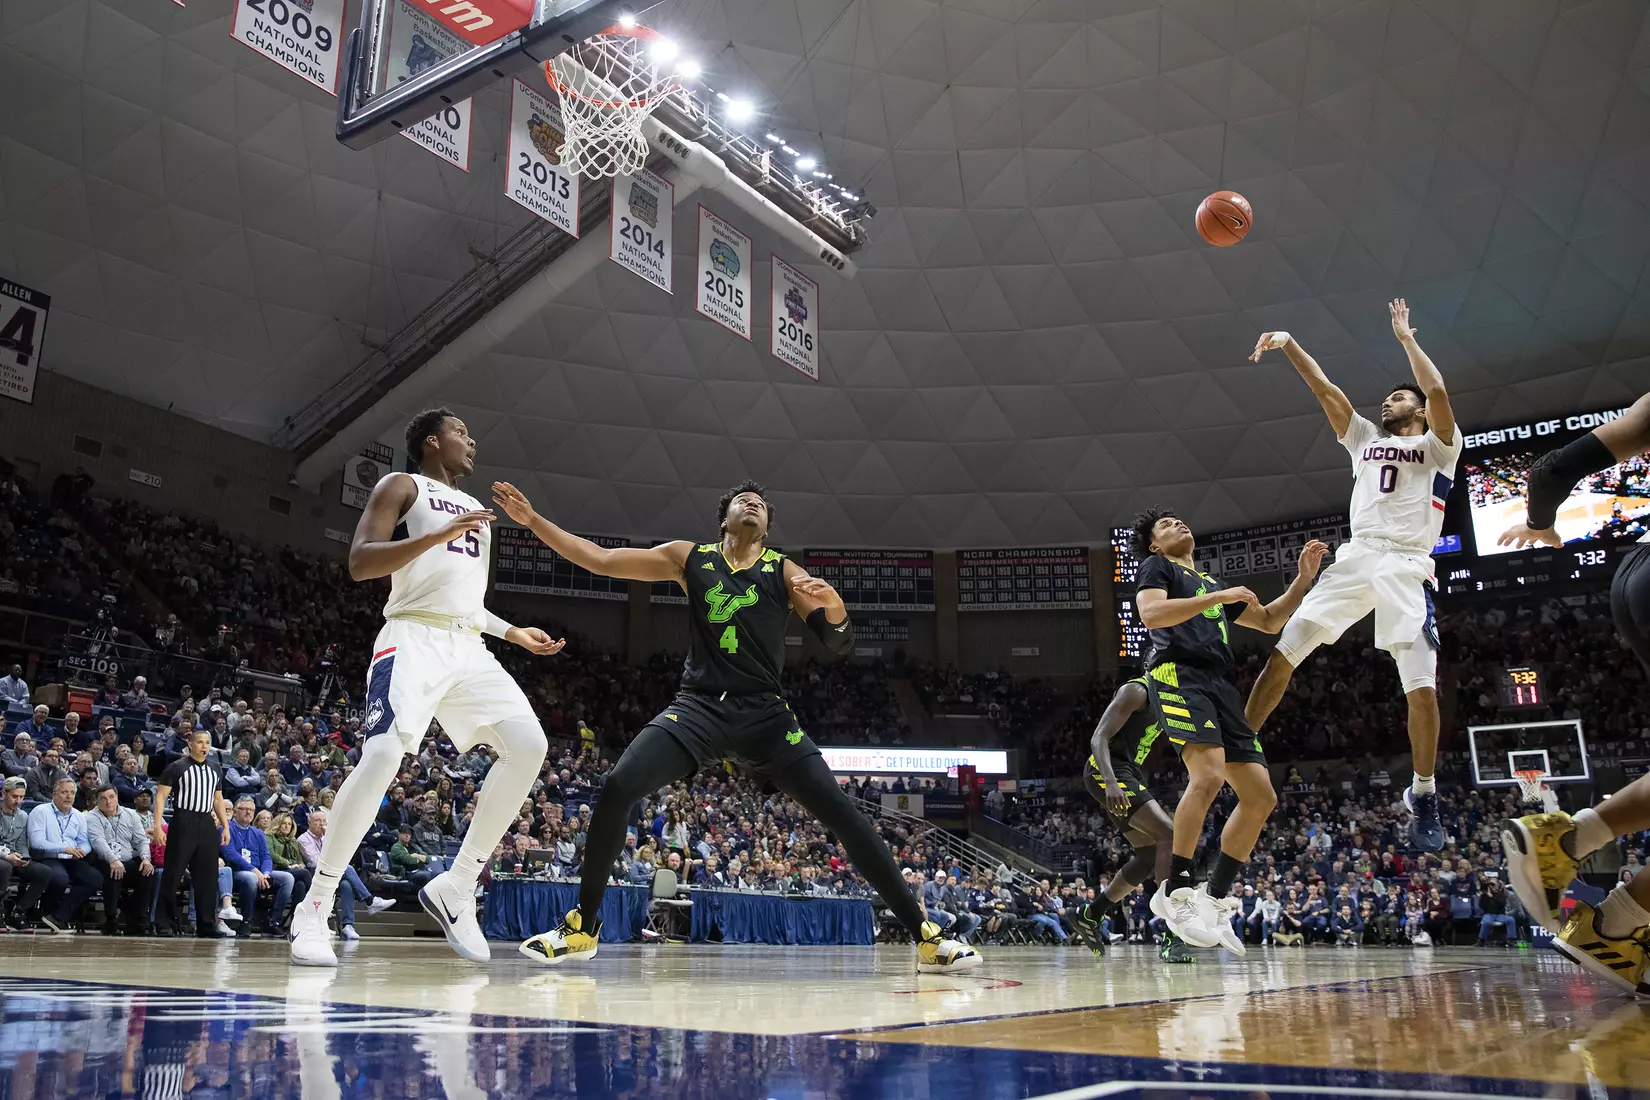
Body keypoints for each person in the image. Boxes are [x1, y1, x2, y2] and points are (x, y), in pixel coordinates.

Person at [495, 478, 979, 973]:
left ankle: (926, 937)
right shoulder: (690, 558)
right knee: (619, 785)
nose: (754, 505)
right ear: (724, 519)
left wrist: (833, 605)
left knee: (845, 815)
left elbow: (838, 644)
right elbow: (599, 559)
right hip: (700, 708)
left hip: (766, 716)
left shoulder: (782, 571)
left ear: (767, 528)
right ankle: (583, 928)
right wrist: (534, 522)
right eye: (744, 501)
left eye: (763, 506)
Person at [290, 409, 563, 968]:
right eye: (463, 431)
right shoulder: (402, 485)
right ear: (433, 442)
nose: (473, 440)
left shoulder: (480, 515)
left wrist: (511, 631)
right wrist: (433, 535)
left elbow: (460, 602)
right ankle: (316, 904)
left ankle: (457, 887)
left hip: (468, 646)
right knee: (384, 753)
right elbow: (361, 563)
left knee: (530, 747)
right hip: (411, 638)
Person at [1245, 299, 1462, 852]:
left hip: (1408, 564)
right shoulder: (1365, 439)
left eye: (1399, 397)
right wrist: (1289, 340)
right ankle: (1238, 748)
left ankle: (1425, 791)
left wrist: (1407, 341)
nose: (1389, 401)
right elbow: (1325, 390)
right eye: (1388, 397)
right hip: (1358, 555)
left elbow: (1437, 394)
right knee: (1283, 653)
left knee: (1423, 692)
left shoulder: (1439, 446)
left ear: (1414, 409)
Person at [1496, 391, 1650, 994]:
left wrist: (1540, 525)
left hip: (1635, 580)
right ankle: (1615, 912)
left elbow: (1551, 470)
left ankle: (1589, 871)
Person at [1131, 506, 1327, 956]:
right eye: (1166, 526)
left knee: (1261, 796)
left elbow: (1270, 621)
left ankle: (1214, 898)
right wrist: (1217, 600)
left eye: (1181, 520)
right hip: (1178, 674)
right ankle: (1175, 889)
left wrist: (1302, 579)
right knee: (1208, 775)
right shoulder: (1157, 567)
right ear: (1155, 545)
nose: (1179, 524)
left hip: (1220, 685)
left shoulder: (1214, 585)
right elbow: (1153, 614)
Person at [1070, 676, 1186, 962]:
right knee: (1169, 836)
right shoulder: (1136, 690)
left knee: (1147, 856)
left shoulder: (1170, 699)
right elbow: (1099, 737)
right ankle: (1173, 933)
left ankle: (1090, 914)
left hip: (1130, 771)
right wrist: (1110, 782)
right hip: (1107, 771)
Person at [151, 729, 232, 938]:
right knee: (173, 873)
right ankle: (164, 922)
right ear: (190, 744)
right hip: (183, 820)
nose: (204, 746)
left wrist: (225, 826)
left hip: (206, 822)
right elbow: (160, 797)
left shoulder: (215, 768)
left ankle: (206, 924)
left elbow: (217, 800)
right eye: (200, 742)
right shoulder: (176, 767)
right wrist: (158, 826)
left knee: (208, 876)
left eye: (207, 742)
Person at [296, 809, 394, 941]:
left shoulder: (327, 837)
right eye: (317, 821)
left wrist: (329, 841)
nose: (321, 824)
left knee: (347, 884)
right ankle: (370, 901)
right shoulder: (303, 839)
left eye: (324, 821)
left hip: (332, 874)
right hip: (314, 875)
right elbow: (314, 861)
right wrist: (330, 846)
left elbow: (341, 855)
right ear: (309, 823)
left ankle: (348, 926)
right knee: (346, 868)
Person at [27, 776, 104, 932]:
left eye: (72, 793)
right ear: (54, 794)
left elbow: (85, 842)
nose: (69, 796)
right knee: (60, 879)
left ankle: (58, 916)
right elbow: (37, 842)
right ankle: (43, 911)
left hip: (71, 858)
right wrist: (64, 848)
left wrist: (82, 851)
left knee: (95, 878)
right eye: (64, 792)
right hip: (47, 857)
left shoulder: (78, 816)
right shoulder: (41, 811)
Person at [86, 784, 153, 934]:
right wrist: (113, 860)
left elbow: (141, 840)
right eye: (103, 799)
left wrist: (146, 858)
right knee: (113, 872)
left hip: (127, 859)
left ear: (117, 798)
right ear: (97, 801)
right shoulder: (92, 817)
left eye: (111, 797)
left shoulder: (130, 814)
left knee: (147, 872)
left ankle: (139, 919)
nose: (108, 802)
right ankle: (111, 919)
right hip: (104, 860)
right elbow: (98, 842)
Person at [222, 795, 294, 936]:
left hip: (260, 873)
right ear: (235, 811)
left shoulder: (258, 833)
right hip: (236, 873)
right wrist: (255, 871)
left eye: (251, 810)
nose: (248, 812)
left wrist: (266, 873)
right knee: (250, 878)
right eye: (244, 809)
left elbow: (266, 856)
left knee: (288, 878)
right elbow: (230, 854)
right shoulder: (226, 829)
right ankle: (247, 921)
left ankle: (273, 920)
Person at [0, 776, 55, 929]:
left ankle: (19, 912)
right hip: (2, 858)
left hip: (13, 856)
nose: (18, 801)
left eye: (21, 797)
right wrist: (6, 856)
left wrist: (24, 857)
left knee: (44, 872)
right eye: (14, 796)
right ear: (4, 793)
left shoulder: (23, 816)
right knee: (5, 867)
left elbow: (23, 843)